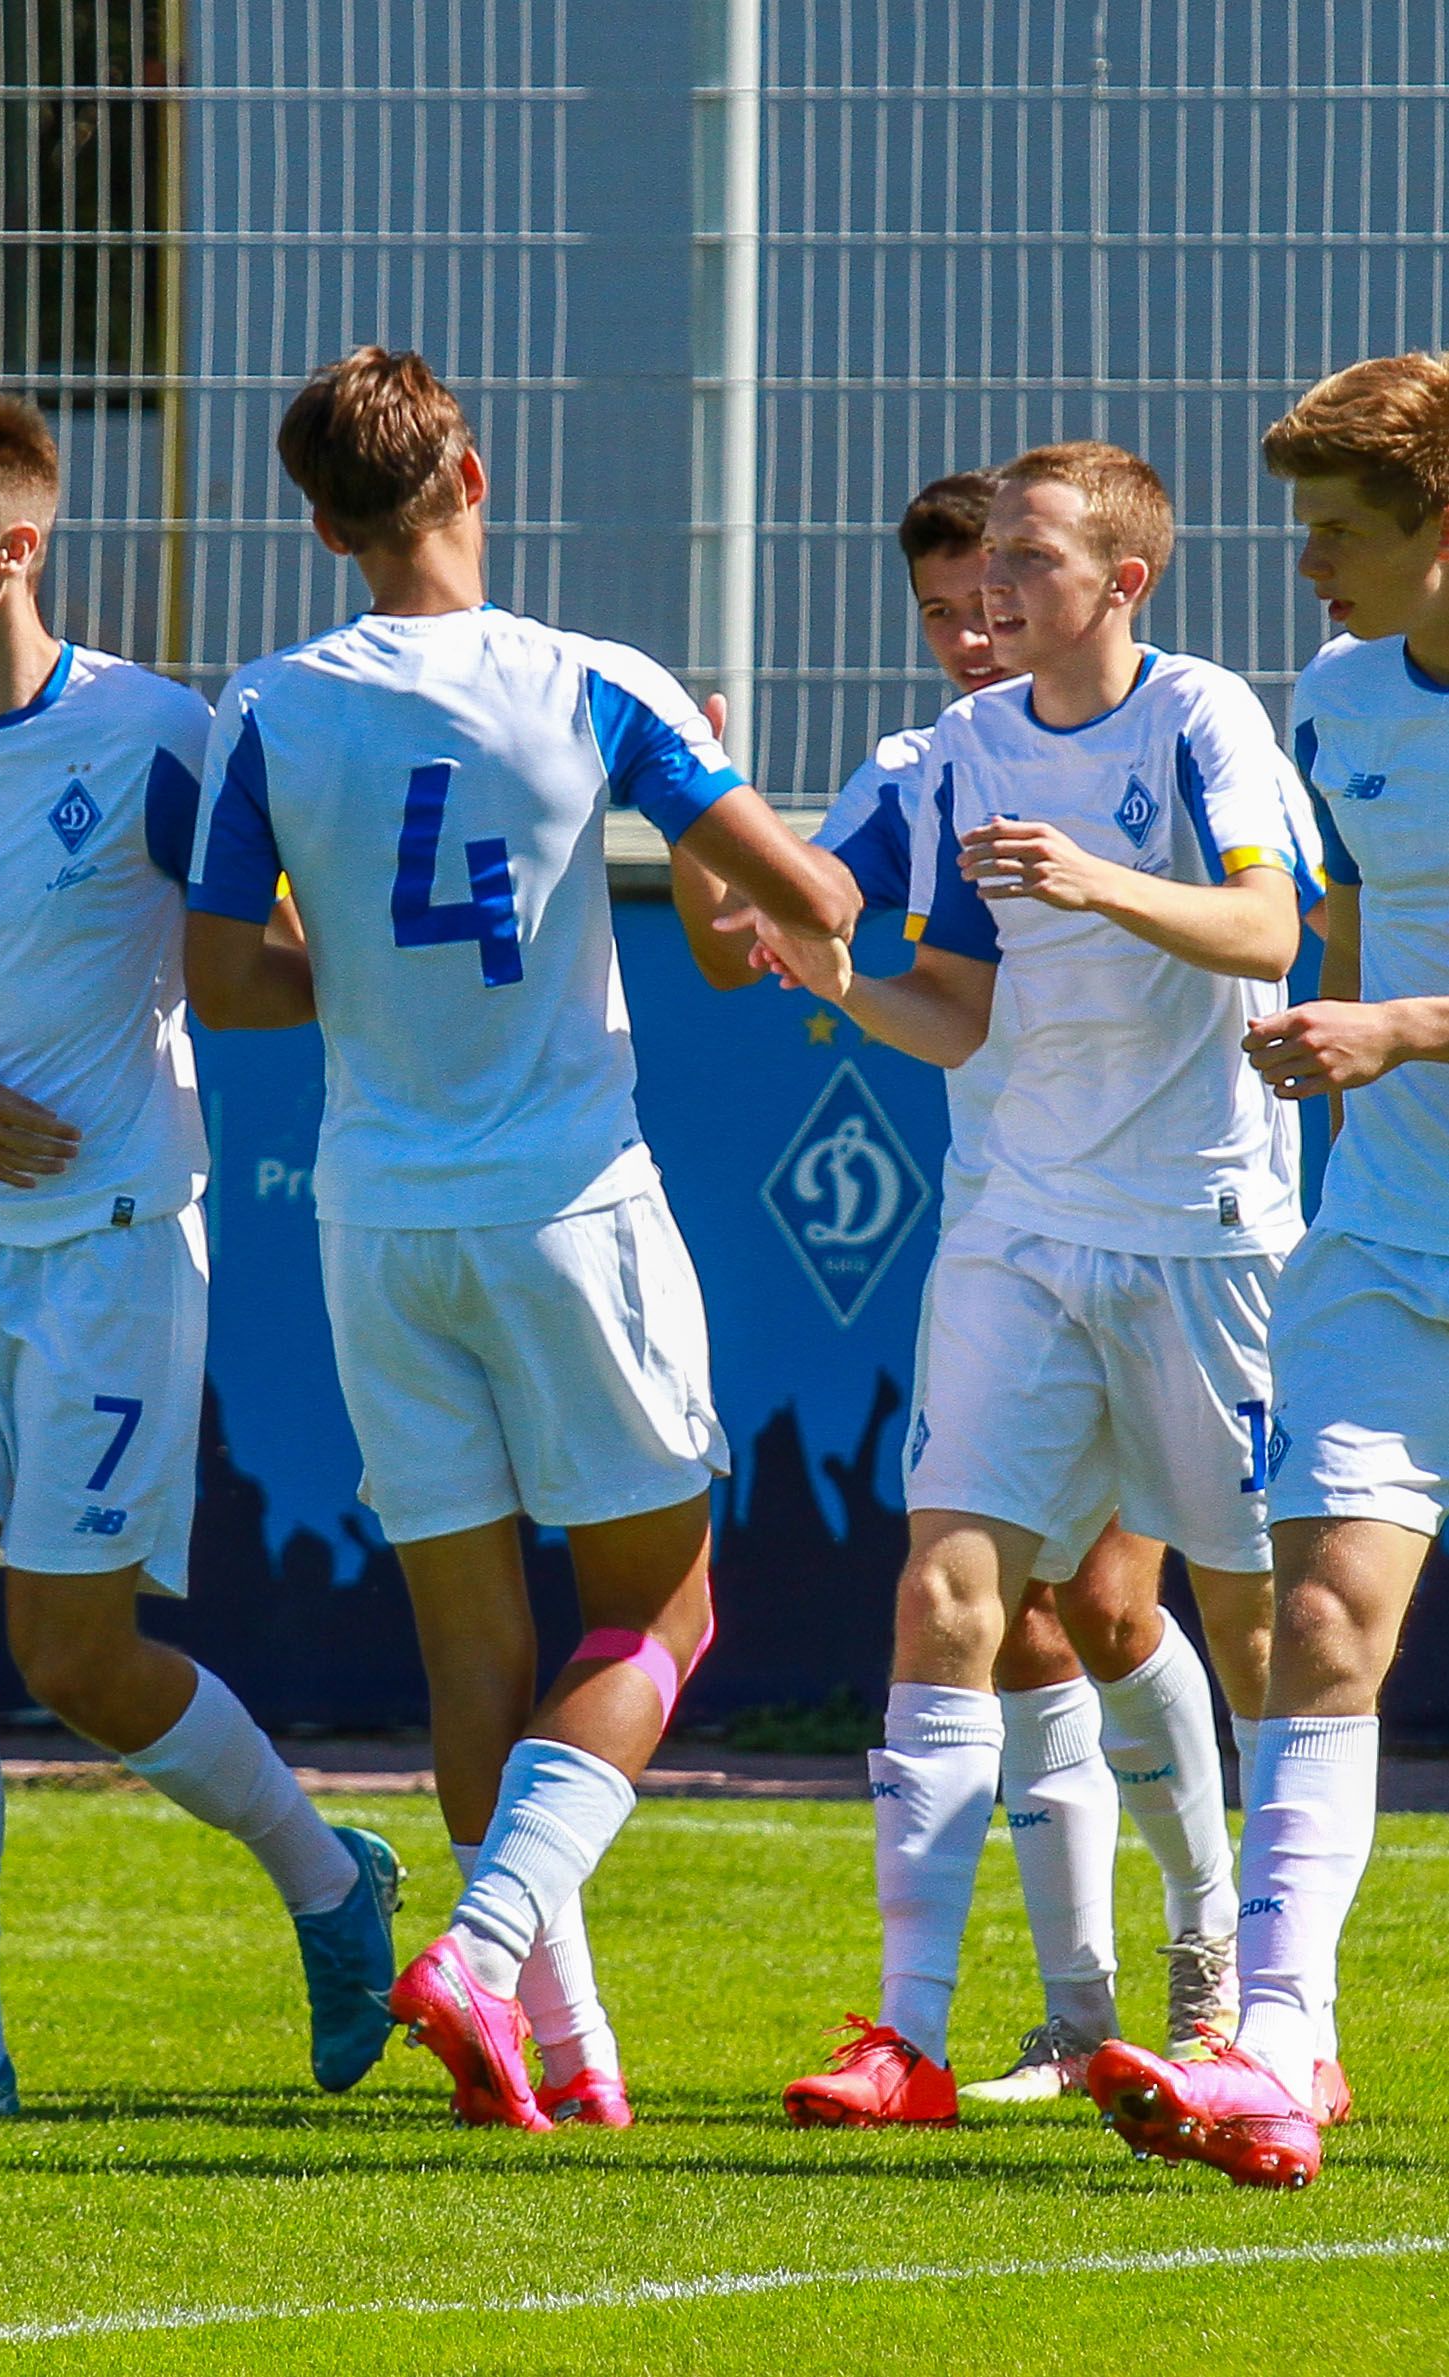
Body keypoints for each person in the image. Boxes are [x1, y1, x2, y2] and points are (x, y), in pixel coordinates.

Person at [184, 347, 860, 2128]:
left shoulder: (262, 703)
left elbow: (215, 979)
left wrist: (375, 980)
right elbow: (809, 900)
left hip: (373, 1221)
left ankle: (564, 2056)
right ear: (470, 475)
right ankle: (480, 1954)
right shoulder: (593, 680)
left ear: (320, 522)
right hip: (565, 1206)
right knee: (661, 1609)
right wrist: (763, 862)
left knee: (471, 1650)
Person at [0, 396, 400, 2123]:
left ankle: (331, 1885)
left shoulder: (158, 734)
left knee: (69, 1655)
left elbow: (267, 948)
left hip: (113, 1249)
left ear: (17, 545)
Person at [752, 442, 1323, 2128]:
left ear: (1120, 581)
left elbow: (1268, 933)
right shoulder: (961, 750)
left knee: (1233, 1621)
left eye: (1024, 555)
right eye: (981, 557)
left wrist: (1095, 881)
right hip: (1013, 1228)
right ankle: (908, 2034)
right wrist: (838, 980)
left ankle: (1259, 1997)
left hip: (1203, 1232)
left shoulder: (1196, 713)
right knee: (949, 1594)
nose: (991, 587)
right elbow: (955, 1008)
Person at [1089, 352, 1449, 2184]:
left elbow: (1394, 982)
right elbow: (1360, 922)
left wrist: (1393, 1025)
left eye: (1335, 532)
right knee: (1315, 1627)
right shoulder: (1333, 696)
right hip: (1384, 1239)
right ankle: (1279, 2043)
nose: (1304, 561)